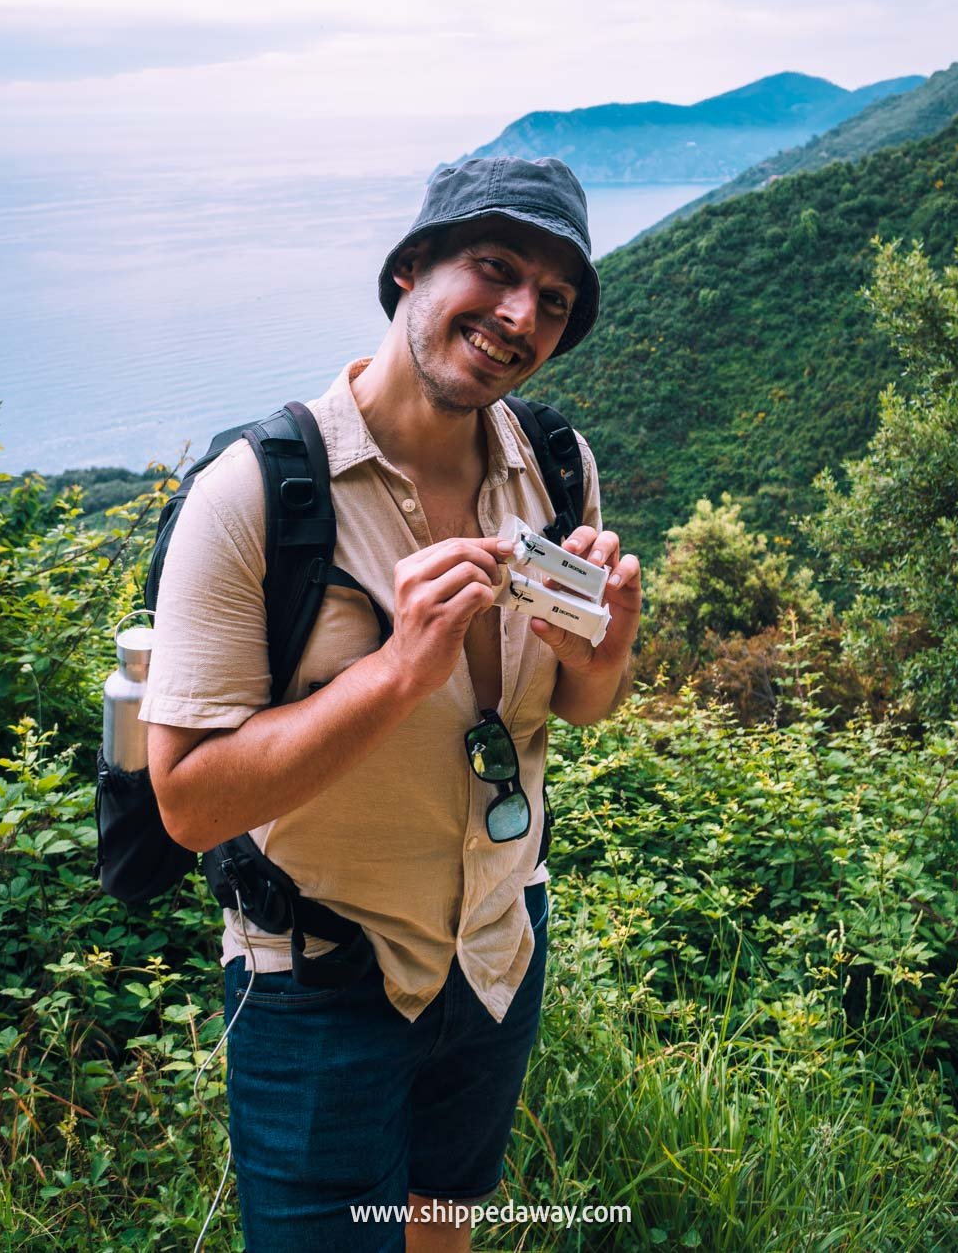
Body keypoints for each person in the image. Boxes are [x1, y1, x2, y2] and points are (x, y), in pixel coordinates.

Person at [141, 156, 642, 1252]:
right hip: (318, 979)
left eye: (553, 301)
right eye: (495, 270)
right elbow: (187, 806)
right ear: (411, 268)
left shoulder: (555, 466)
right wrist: (395, 672)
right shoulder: (253, 497)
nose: (520, 315)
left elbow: (586, 706)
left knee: (438, 1235)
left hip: (499, 943)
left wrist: (604, 645)